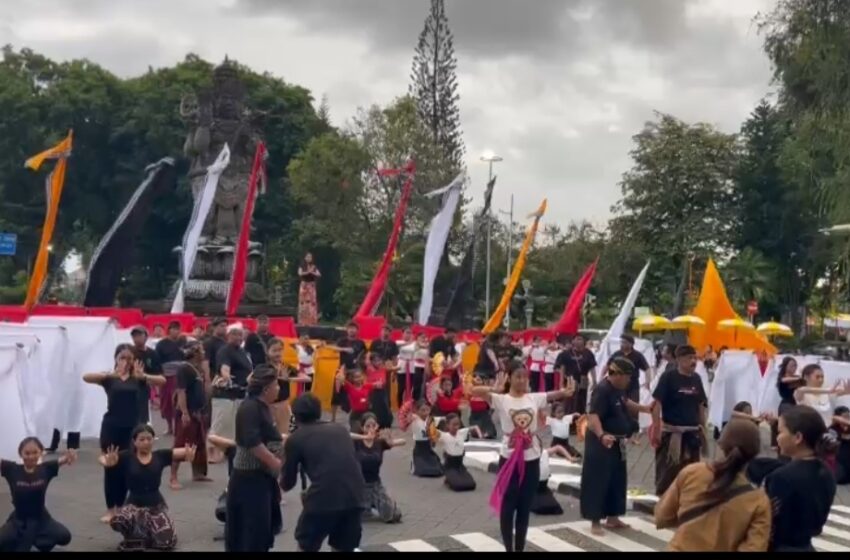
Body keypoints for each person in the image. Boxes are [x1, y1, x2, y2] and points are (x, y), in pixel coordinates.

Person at [467, 361, 575, 553]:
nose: (522, 380)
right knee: (509, 504)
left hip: (531, 457)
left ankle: (520, 548)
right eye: (518, 376)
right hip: (509, 458)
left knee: (525, 506)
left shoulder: (533, 398)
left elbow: (552, 395)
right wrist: (495, 388)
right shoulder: (501, 399)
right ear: (510, 378)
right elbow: (473, 390)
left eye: (525, 376)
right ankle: (509, 547)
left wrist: (564, 391)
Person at [655, 419, 770, 551]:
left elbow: (662, 516)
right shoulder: (758, 501)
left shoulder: (692, 472)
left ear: (720, 444)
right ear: (755, 454)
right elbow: (754, 547)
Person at [84, 344, 166, 523]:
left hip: (132, 429)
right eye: (122, 357)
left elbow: (162, 381)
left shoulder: (139, 378)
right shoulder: (110, 379)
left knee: (127, 466)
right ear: (116, 359)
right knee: (110, 465)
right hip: (112, 427)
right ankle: (110, 508)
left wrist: (143, 375)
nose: (126, 361)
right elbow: (86, 377)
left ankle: (122, 507)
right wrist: (111, 374)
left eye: (129, 358)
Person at [283, 394, 367, 553]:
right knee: (344, 546)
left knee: (306, 545)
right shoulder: (340, 430)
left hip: (322, 499)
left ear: (295, 415)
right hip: (355, 495)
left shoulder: (295, 439)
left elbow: (287, 483)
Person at [580, 357, 651, 535]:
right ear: (617, 374)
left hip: (618, 442)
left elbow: (626, 403)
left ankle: (613, 517)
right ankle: (595, 520)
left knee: (617, 480)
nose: (629, 381)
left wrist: (645, 408)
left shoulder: (618, 389)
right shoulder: (602, 390)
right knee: (598, 480)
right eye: (628, 377)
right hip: (601, 442)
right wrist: (601, 435)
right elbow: (593, 416)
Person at [100, 425, 196, 551]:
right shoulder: (127, 457)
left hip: (155, 506)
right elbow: (103, 459)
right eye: (142, 439)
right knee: (120, 521)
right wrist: (107, 462)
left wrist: (190, 454)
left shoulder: (160, 455)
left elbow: (183, 452)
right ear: (134, 442)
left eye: (149, 439)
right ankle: (138, 533)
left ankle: (147, 533)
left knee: (167, 542)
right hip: (133, 506)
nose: (146, 442)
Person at [759, 406, 837, 551]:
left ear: (798, 438)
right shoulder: (827, 472)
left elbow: (769, 524)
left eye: (780, 431)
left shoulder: (781, 477)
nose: (777, 437)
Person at [225, 365, 285, 552]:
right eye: (276, 385)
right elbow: (252, 442)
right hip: (249, 479)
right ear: (266, 389)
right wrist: (275, 463)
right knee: (250, 531)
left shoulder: (263, 407)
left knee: (262, 530)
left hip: (263, 478)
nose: (278, 389)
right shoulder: (249, 407)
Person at [651, 345, 708, 496]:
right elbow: (656, 404)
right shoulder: (668, 377)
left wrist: (703, 428)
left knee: (692, 472)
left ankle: (687, 501)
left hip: (691, 434)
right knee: (668, 472)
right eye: (690, 358)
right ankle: (663, 501)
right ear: (679, 360)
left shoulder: (696, 379)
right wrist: (657, 429)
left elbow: (701, 404)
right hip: (672, 434)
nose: (694, 361)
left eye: (695, 358)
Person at [0, 438, 75, 552]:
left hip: (41, 519)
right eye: (27, 453)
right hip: (19, 520)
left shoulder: (46, 469)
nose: (31, 456)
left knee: (65, 536)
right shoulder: (12, 469)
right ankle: (26, 539)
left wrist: (70, 456)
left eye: (35, 452)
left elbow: (63, 460)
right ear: (20, 453)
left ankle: (33, 540)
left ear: (41, 452)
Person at [169, 342, 211, 490]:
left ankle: (198, 473)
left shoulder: (197, 369)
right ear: (194, 353)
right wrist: (185, 412)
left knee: (199, 443)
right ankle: (173, 476)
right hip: (188, 412)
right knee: (182, 443)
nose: (204, 353)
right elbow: (181, 391)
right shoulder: (184, 368)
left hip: (198, 412)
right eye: (201, 350)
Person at [350, 413, 404, 523]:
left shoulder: (379, 442)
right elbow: (346, 435)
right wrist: (365, 437)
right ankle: (367, 504)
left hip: (375, 484)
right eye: (367, 426)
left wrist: (390, 441)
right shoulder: (357, 443)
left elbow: (404, 441)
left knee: (393, 515)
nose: (370, 429)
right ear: (362, 427)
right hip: (360, 485)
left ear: (377, 426)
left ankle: (380, 502)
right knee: (362, 516)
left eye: (373, 426)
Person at [210, 324, 252, 446]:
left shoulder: (242, 351)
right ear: (228, 335)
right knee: (220, 426)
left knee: (234, 427)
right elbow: (224, 368)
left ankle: (229, 451)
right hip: (226, 396)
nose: (238, 337)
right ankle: (214, 454)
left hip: (240, 394)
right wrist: (226, 376)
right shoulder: (225, 350)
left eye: (240, 334)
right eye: (235, 334)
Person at [266, 337, 310, 435]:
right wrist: (279, 378)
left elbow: (307, 378)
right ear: (268, 351)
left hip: (284, 405)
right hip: (269, 405)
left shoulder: (285, 366)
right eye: (274, 350)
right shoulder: (264, 367)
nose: (277, 353)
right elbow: (250, 379)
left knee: (284, 433)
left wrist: (289, 379)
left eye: (280, 350)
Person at [330, 323, 367, 423]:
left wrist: (363, 368)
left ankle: (358, 415)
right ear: (347, 330)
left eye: (354, 329)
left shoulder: (360, 343)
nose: (352, 331)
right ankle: (333, 418)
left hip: (355, 372)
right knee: (336, 393)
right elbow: (333, 348)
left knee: (358, 393)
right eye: (350, 329)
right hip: (343, 370)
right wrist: (344, 349)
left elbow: (365, 356)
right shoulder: (342, 341)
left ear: (357, 330)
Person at [154, 321, 185, 435]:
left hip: (181, 375)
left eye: (178, 329)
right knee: (167, 402)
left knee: (180, 401)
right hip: (167, 375)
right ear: (169, 330)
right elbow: (157, 361)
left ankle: (179, 426)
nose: (176, 331)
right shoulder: (161, 344)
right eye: (174, 329)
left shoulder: (183, 342)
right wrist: (160, 374)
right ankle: (169, 426)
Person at [438, 413, 482, 492]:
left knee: (471, 484)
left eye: (458, 424)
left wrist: (479, 432)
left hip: (460, 465)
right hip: (450, 465)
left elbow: (473, 428)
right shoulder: (444, 436)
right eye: (453, 425)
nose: (456, 427)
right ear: (448, 425)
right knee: (458, 486)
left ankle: (454, 477)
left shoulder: (461, 433)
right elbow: (432, 433)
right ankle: (448, 478)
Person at [556, 334, 597, 416]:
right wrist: (561, 383)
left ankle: (580, 420)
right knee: (570, 401)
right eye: (577, 339)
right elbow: (561, 368)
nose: (579, 341)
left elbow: (592, 367)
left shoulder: (588, 353)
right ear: (573, 341)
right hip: (570, 380)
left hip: (583, 379)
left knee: (582, 401)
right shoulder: (566, 354)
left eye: (581, 339)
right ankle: (569, 419)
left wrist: (594, 381)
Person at [130, 326, 162, 428]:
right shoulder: (129, 352)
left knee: (143, 415)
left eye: (139, 335)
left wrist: (157, 395)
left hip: (144, 387)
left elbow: (158, 374)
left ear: (146, 337)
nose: (137, 338)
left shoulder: (152, 354)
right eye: (134, 336)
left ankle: (141, 434)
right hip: (129, 387)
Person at [335, 365, 384, 433]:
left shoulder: (366, 386)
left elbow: (377, 385)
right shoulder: (349, 387)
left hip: (367, 413)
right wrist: (341, 371)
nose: (358, 379)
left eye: (360, 376)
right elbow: (340, 379)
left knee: (372, 431)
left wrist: (379, 383)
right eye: (356, 377)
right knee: (357, 431)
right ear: (352, 379)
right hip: (356, 415)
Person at [402, 399, 444, 478]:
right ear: (417, 411)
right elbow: (409, 418)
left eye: (427, 410)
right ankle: (414, 464)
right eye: (422, 410)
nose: (425, 413)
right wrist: (409, 417)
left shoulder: (430, 420)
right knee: (423, 470)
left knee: (437, 470)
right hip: (419, 449)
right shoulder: (415, 419)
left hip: (428, 448)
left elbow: (441, 420)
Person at [531, 444, 573, 516]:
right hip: (543, 484)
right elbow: (558, 447)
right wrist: (570, 457)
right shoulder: (545, 452)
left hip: (534, 484)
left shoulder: (530, 455)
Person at [772, 357, 801, 448]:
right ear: (785, 366)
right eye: (792, 365)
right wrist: (800, 377)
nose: (794, 367)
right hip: (786, 405)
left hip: (795, 404)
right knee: (785, 426)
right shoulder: (783, 378)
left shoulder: (796, 378)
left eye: (795, 365)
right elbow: (784, 380)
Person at [365, 353, 394, 429]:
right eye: (375, 361)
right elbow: (368, 382)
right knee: (375, 407)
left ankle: (386, 422)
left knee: (385, 406)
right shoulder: (369, 369)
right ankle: (376, 422)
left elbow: (393, 368)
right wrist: (374, 384)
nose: (378, 362)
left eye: (379, 360)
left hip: (382, 391)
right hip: (374, 391)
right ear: (372, 362)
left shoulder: (383, 369)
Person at [467, 374, 497, 439]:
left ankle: (487, 433)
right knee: (475, 431)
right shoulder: (472, 390)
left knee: (488, 430)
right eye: (475, 378)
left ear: (482, 382)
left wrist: (490, 413)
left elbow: (492, 405)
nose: (476, 379)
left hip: (484, 415)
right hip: (474, 415)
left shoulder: (486, 393)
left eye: (479, 379)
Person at [298, 252, 321, 326]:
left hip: (311, 285)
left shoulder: (314, 266)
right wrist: (308, 272)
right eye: (307, 257)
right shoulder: (302, 266)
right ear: (305, 258)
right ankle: (303, 321)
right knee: (303, 302)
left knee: (312, 303)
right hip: (304, 285)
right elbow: (300, 273)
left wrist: (312, 272)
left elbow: (319, 274)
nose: (309, 258)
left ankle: (312, 321)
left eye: (310, 257)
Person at [831, 406, 850, 484]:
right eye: (844, 418)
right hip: (839, 469)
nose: (846, 420)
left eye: (848, 417)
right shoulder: (833, 430)